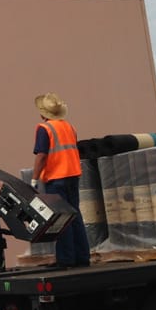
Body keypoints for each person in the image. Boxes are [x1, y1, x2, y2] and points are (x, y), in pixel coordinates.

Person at [31, 92, 90, 268]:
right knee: (75, 216)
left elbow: (42, 156)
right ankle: (82, 257)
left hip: (56, 178)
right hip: (73, 174)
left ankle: (65, 259)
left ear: (43, 113)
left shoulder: (44, 128)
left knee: (61, 219)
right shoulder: (69, 127)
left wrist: (34, 178)